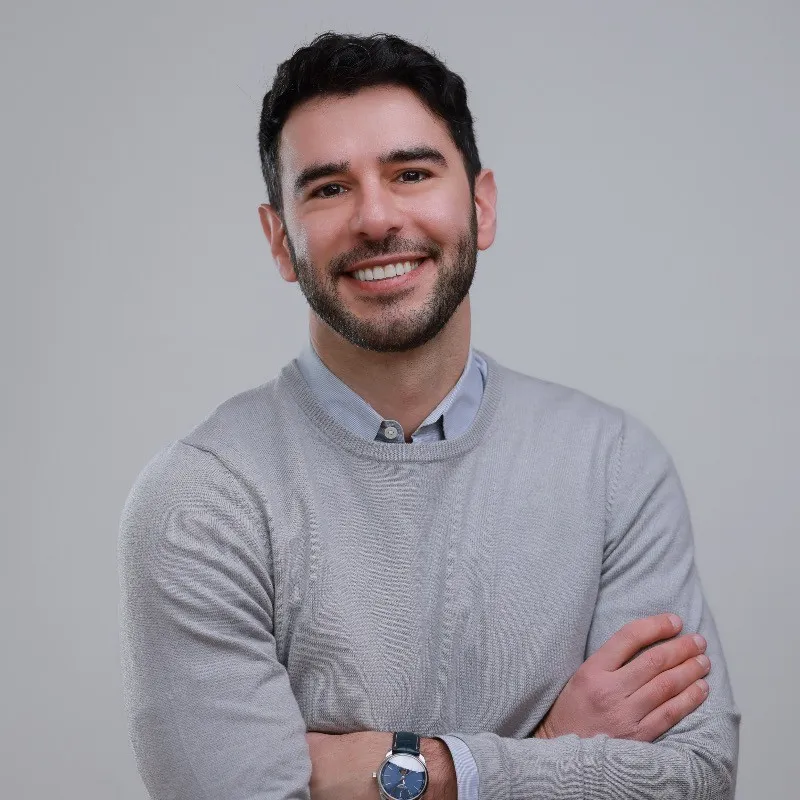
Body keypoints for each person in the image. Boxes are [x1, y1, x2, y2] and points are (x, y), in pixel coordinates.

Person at [118, 32, 740, 800]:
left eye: (411, 173)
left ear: (481, 206)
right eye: (328, 188)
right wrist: (554, 750)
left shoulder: (612, 465)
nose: (376, 218)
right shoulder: (201, 502)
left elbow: (694, 780)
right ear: (280, 240)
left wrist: (426, 771)